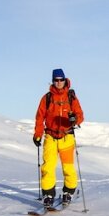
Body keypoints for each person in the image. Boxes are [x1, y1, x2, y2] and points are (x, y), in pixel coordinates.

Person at [33, 68, 84, 207]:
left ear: (65, 80)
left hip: (67, 137)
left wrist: (75, 120)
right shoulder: (47, 98)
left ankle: (68, 192)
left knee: (68, 168)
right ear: (53, 81)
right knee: (47, 167)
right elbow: (39, 117)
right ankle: (48, 195)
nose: (59, 82)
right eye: (56, 80)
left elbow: (80, 115)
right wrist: (37, 135)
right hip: (50, 136)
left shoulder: (71, 97)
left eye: (61, 79)